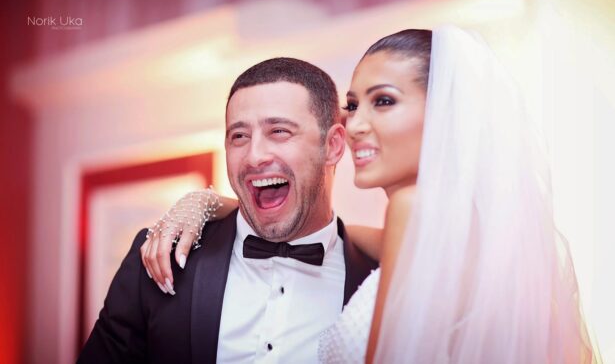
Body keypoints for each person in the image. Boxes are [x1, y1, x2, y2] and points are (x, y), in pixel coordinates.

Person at [144, 26, 595, 362]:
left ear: (445, 112)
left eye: (384, 101)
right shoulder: (461, 235)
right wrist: (206, 202)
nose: (356, 124)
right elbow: (343, 235)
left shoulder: (410, 210)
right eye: (354, 105)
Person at [78, 57, 378, 363]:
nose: (254, 156)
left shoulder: (377, 279)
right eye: (239, 136)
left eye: (279, 131)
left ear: (333, 146)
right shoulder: (161, 254)